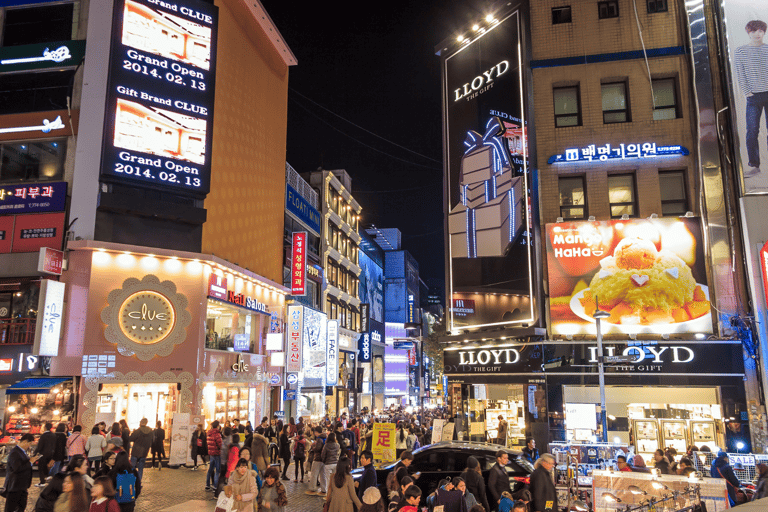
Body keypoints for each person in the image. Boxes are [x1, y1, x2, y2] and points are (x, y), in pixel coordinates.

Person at [735, 20, 768, 177]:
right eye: (754, 31)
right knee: (752, 131)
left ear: (764, 32)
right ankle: (754, 165)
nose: (757, 33)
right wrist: (747, 92)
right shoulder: (741, 51)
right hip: (753, 97)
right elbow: (740, 74)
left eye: (760, 30)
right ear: (748, 32)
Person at [5, 434, 42, 512]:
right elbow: (17, 468)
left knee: (21, 507)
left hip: (21, 485)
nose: (29, 446)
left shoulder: (21, 452)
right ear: (25, 441)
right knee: (11, 508)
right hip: (15, 486)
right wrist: (30, 462)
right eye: (29, 444)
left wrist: (31, 460)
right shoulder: (15, 452)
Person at [305, 426, 327, 496]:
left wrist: (312, 446)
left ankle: (313, 488)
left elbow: (317, 448)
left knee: (314, 474)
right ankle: (324, 489)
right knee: (323, 474)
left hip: (317, 458)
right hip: (323, 459)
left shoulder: (319, 439)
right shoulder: (325, 437)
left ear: (316, 432)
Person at [321, 432, 341, 496]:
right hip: (335, 463)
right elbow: (338, 453)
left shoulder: (326, 445)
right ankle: (335, 493)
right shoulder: (337, 445)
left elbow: (323, 455)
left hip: (328, 464)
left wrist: (324, 461)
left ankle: (328, 494)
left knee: (328, 480)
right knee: (335, 479)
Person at [206, 420, 223, 492]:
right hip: (217, 454)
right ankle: (215, 486)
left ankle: (207, 485)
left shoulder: (209, 433)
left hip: (211, 453)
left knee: (210, 470)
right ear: (218, 426)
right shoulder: (217, 434)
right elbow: (220, 444)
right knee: (217, 470)